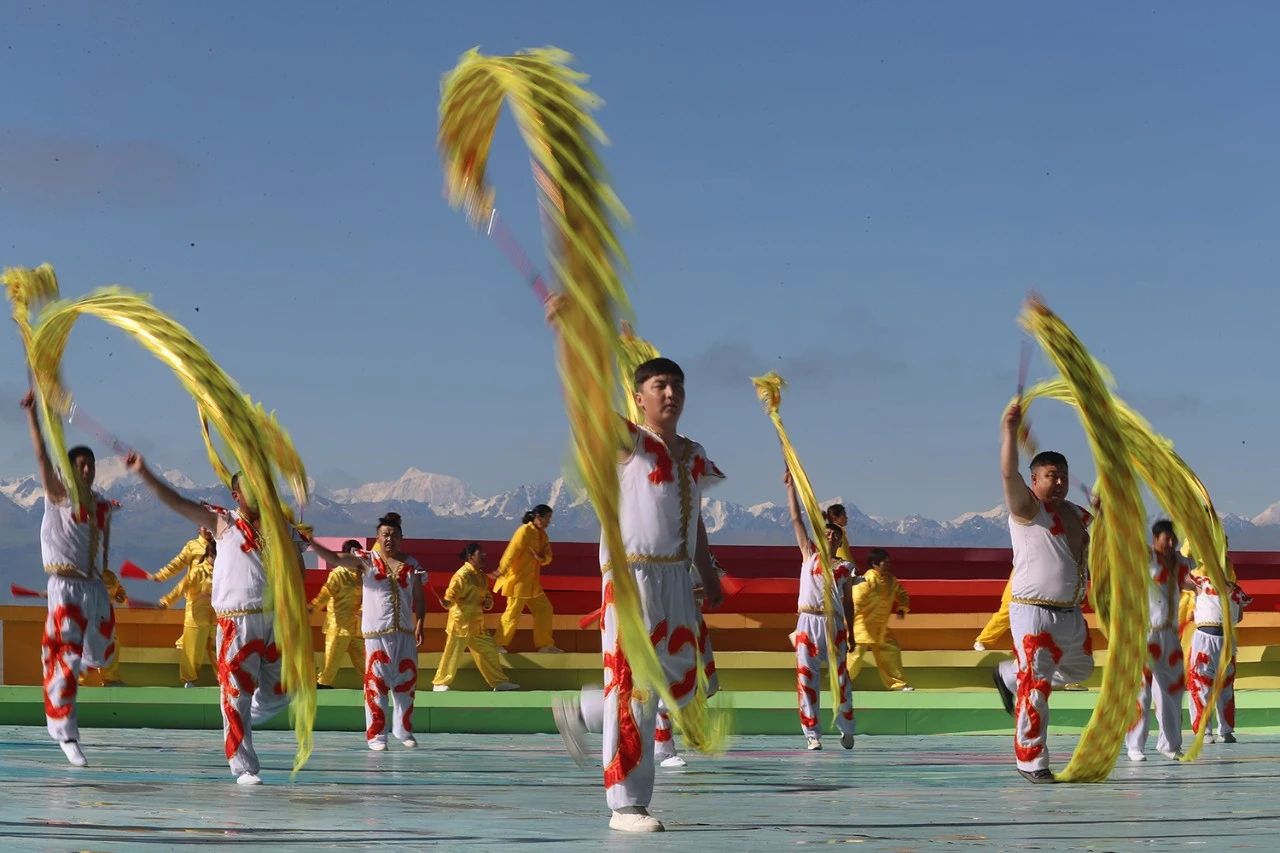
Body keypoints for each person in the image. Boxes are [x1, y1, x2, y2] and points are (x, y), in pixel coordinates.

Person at [550, 351, 726, 834]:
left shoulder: (692, 453)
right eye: (660, 387)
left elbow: (695, 520)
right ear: (639, 397)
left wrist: (707, 575)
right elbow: (584, 402)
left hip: (675, 579)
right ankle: (626, 804)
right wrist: (573, 338)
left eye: (678, 387)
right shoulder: (628, 442)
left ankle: (585, 709)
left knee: (685, 683)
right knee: (634, 686)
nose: (671, 395)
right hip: (631, 576)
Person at [129, 454, 295, 784]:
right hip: (236, 622)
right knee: (234, 694)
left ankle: (253, 710)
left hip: (273, 619)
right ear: (236, 494)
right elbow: (176, 501)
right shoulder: (225, 523)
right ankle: (243, 766)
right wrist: (145, 473)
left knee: (284, 690)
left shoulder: (279, 527)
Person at [993, 403, 1094, 784]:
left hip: (1070, 612)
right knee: (1036, 689)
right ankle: (1031, 761)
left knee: (1081, 669)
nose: (1059, 482)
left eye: (1064, 476)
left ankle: (1009, 673)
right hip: (1033, 612)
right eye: (1051, 476)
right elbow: (1006, 473)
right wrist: (1009, 431)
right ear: (1034, 480)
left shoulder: (1079, 515)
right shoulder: (1027, 510)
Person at [22, 390, 117, 767]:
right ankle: (65, 732)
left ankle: (88, 657)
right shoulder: (57, 495)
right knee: (66, 658)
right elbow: (44, 456)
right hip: (64, 588)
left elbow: (100, 546)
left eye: (91, 466)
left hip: (94, 588)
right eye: (81, 466)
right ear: (69, 470)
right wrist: (35, 414)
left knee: (105, 650)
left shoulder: (101, 506)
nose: (88, 471)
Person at [308, 516, 428, 750]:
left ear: (401, 538)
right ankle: (376, 734)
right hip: (376, 634)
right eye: (385, 534)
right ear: (378, 537)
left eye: (393, 534)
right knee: (376, 683)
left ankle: (403, 729)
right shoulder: (367, 561)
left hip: (404, 632)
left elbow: (419, 598)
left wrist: (420, 623)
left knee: (406, 682)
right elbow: (334, 558)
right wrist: (311, 541)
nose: (389, 539)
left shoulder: (412, 564)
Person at [785, 469, 856, 750]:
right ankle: (812, 733)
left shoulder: (844, 568)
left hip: (833, 624)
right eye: (825, 533)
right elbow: (795, 519)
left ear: (839, 540)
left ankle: (846, 727)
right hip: (807, 622)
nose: (829, 537)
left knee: (840, 677)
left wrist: (851, 633)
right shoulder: (808, 555)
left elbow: (848, 602)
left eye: (834, 535)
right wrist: (791, 488)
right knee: (806, 677)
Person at [1126, 520, 1197, 761]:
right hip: (1145, 633)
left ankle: (1170, 745)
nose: (1170, 543)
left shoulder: (1179, 562)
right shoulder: (1146, 557)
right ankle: (1135, 746)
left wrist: (1202, 523)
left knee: (1173, 690)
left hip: (1169, 634)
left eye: (1173, 539)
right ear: (1155, 539)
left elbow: (1201, 560)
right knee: (1141, 692)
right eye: (1165, 539)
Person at [431, 543, 519, 693]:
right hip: (461, 622)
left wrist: (487, 603)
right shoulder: (462, 575)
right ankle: (440, 682)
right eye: (481, 554)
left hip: (477, 624)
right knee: (452, 653)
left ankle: (499, 682)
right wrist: (446, 602)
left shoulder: (482, 576)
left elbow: (488, 596)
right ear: (471, 557)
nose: (484, 557)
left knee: (489, 651)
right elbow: (451, 595)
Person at [1186, 569, 1251, 744]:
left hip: (1226, 641)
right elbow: (1182, 580)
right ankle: (1204, 731)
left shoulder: (1236, 591)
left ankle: (1226, 730)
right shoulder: (1202, 582)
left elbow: (1239, 616)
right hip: (1204, 640)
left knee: (1226, 685)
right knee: (1201, 684)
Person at [150, 527, 217, 686]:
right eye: (204, 525)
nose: (207, 529)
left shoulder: (223, 546)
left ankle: (226, 681)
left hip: (217, 611)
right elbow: (179, 571)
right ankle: (189, 679)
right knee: (194, 646)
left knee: (220, 647)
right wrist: (161, 576)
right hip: (196, 607)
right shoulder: (192, 547)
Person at [493, 505, 560, 653]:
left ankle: (545, 645)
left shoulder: (543, 535)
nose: (548, 521)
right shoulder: (524, 531)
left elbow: (548, 556)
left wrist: (542, 558)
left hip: (533, 584)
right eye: (547, 518)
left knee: (544, 609)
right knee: (512, 613)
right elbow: (511, 552)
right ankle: (497, 644)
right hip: (518, 582)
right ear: (538, 517)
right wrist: (501, 570)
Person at [848, 548, 913, 692]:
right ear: (874, 564)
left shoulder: (891, 580)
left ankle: (898, 684)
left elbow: (901, 594)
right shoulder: (866, 579)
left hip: (881, 628)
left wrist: (902, 607)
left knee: (891, 651)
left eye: (889, 562)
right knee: (854, 657)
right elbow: (855, 600)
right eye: (885, 562)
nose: (888, 565)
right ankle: (840, 685)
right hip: (862, 626)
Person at [309, 539, 364, 689]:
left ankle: (376, 686)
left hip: (357, 627)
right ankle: (322, 685)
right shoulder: (338, 574)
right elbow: (326, 593)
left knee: (366, 663)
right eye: (353, 553)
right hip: (338, 626)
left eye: (359, 552)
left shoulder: (364, 574)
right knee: (330, 663)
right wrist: (312, 608)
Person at [79, 566, 129, 687]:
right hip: (87, 619)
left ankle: (111, 678)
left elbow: (120, 593)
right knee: (83, 648)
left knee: (113, 645)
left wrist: (120, 597)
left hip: (106, 620)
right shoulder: (83, 579)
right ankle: (77, 679)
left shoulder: (111, 578)